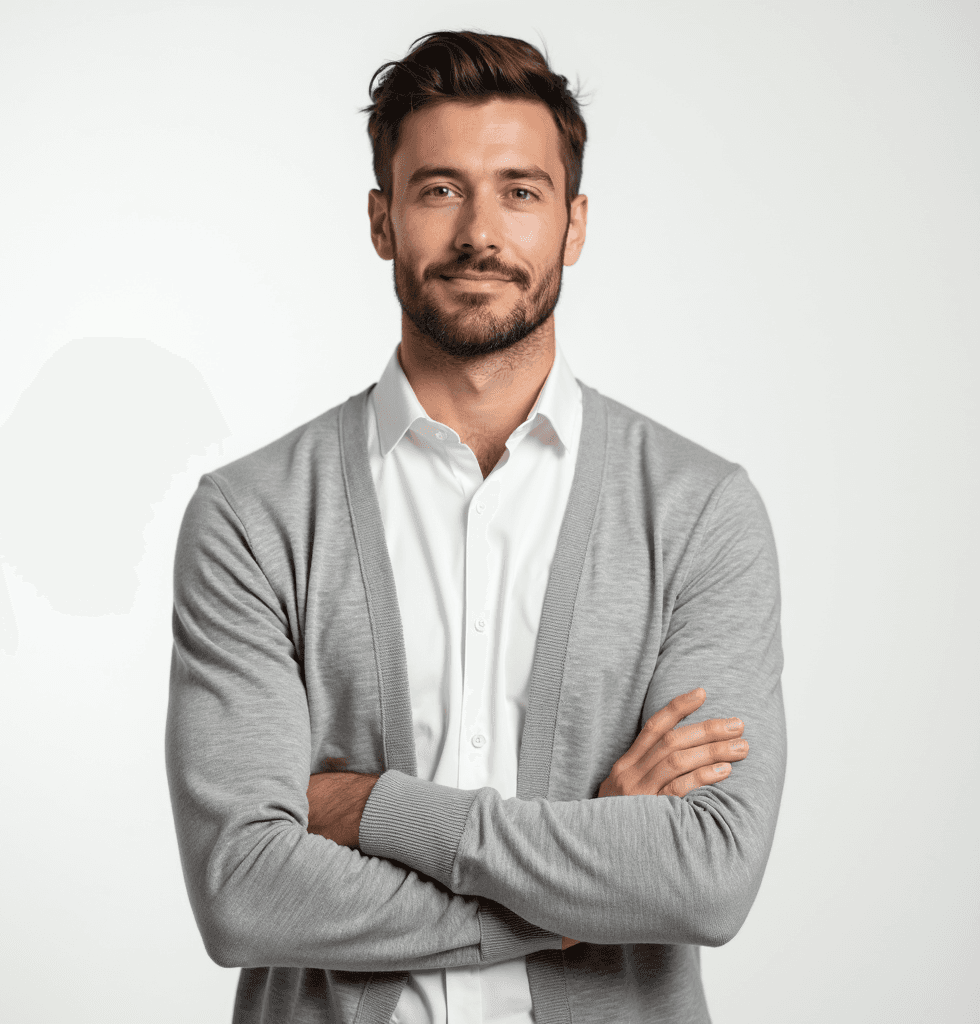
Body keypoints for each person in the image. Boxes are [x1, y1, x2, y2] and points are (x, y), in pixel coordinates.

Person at [166, 29, 786, 1024]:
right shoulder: (255, 516)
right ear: (382, 219)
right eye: (439, 189)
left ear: (573, 224)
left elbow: (706, 876)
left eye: (520, 191)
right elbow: (244, 892)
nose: (478, 231)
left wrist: (367, 807)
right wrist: (577, 887)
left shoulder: (696, 509)